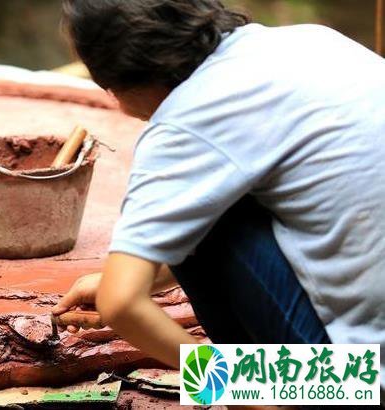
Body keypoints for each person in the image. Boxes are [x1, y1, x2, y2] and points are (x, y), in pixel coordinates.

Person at [52, 0, 385, 397]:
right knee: (229, 194)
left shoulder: (184, 124)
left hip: (362, 381)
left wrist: (222, 388)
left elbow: (120, 304)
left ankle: (259, 397)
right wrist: (140, 281)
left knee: (205, 201)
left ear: (116, 78)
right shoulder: (313, 42)